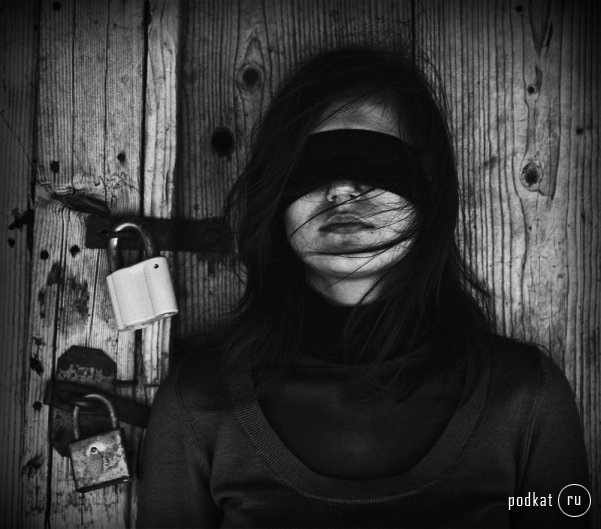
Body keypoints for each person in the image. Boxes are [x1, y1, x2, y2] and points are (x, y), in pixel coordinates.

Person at [137, 47, 590, 528]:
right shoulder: (200, 401)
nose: (340, 189)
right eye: (311, 165)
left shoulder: (525, 399)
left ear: (429, 187)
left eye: (372, 160)